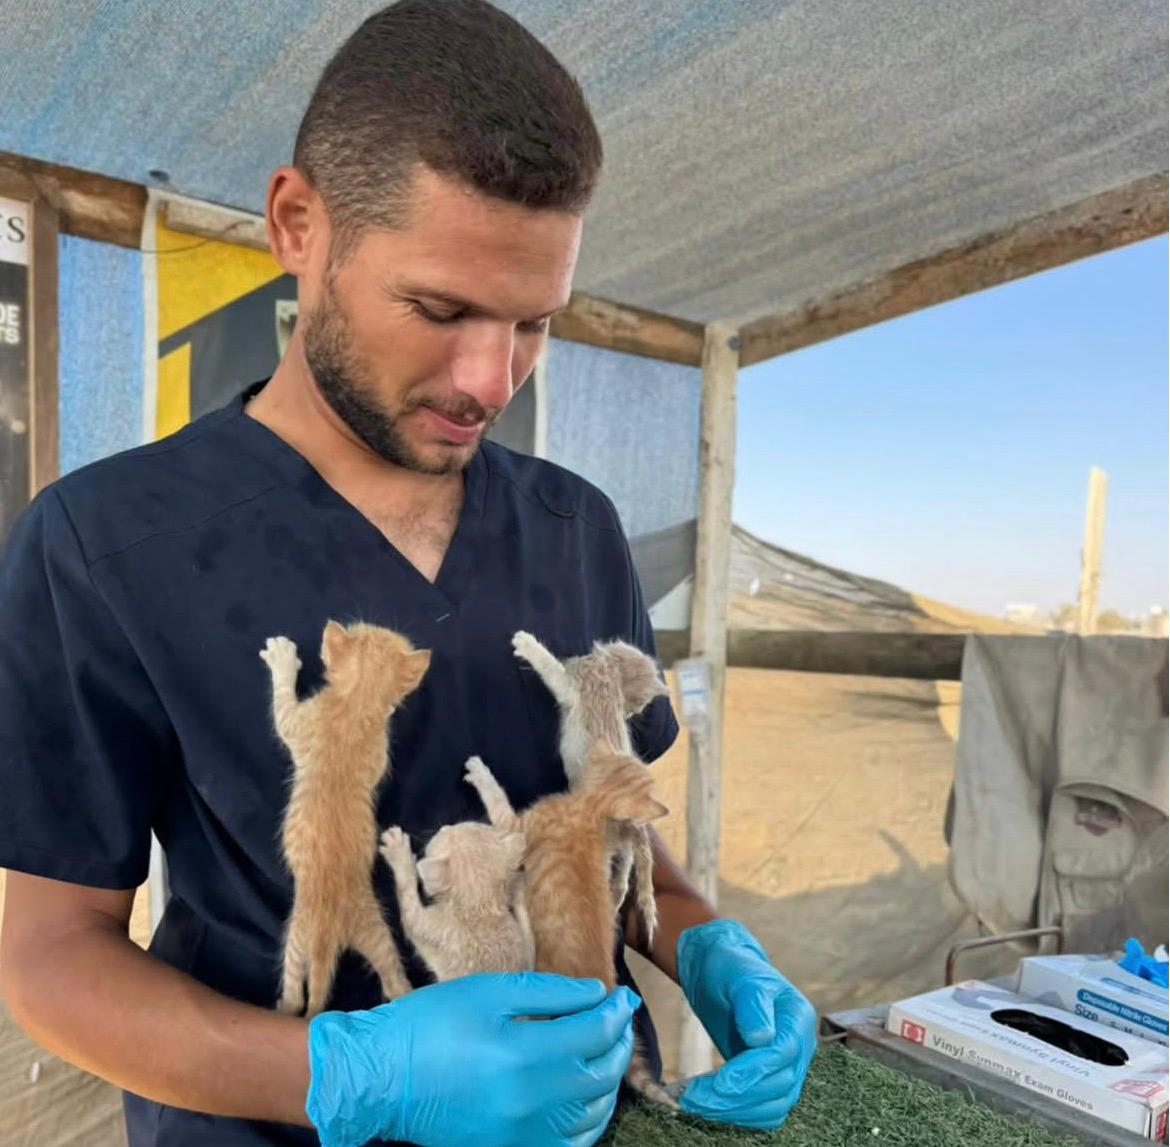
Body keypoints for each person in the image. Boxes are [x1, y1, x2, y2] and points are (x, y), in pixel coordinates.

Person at [0, 3, 816, 1145]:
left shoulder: (578, 527)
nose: (492, 376)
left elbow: (621, 851)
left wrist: (704, 941)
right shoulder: (103, 541)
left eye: (535, 322)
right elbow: (46, 957)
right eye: (440, 309)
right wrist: (350, 1074)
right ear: (299, 224)